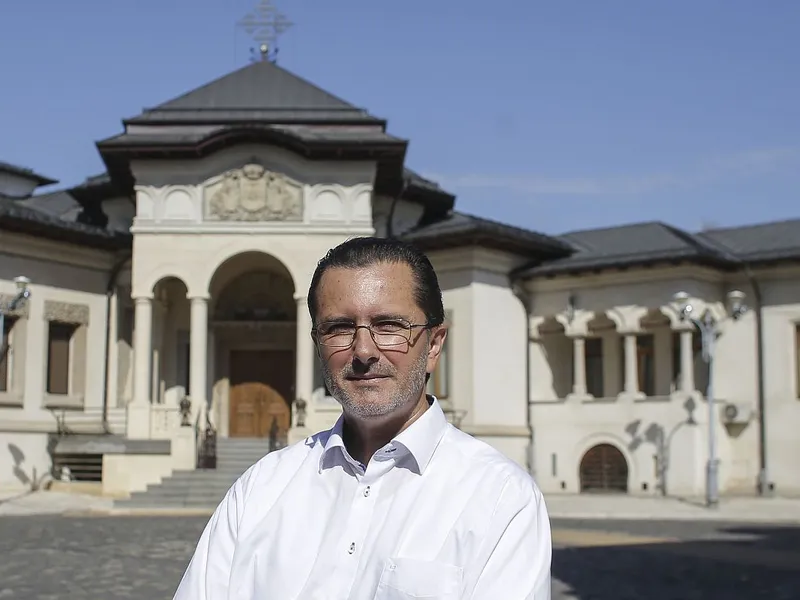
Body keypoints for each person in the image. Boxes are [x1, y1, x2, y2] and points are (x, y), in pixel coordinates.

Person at [173, 237, 552, 600]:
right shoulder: (260, 489)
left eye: (390, 326)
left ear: (434, 344)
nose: (363, 351)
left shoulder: (499, 497)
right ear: (318, 345)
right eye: (339, 328)